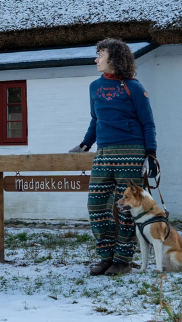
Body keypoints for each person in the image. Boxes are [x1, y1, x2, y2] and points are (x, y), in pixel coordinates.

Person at [68, 38, 158, 276]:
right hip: (104, 153)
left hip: (131, 152)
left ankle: (123, 260)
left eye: (101, 55)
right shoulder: (94, 87)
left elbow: (148, 123)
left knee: (128, 208)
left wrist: (151, 154)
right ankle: (106, 256)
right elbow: (96, 120)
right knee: (96, 204)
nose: (96, 59)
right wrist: (86, 143)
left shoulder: (134, 87)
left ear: (114, 59)